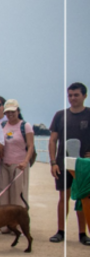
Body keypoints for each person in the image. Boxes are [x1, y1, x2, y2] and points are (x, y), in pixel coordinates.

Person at [49, 82, 90, 245]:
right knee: (63, 197)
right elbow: (53, 140)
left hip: (84, 165)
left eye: (76, 95)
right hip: (63, 163)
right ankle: (60, 231)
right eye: (70, 95)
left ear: (84, 96)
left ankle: (83, 233)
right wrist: (53, 162)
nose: (72, 98)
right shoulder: (60, 115)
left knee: (83, 198)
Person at [0, 99, 33, 217]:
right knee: (3, 195)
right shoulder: (2, 125)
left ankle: (18, 224)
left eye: (13, 111)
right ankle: (3, 223)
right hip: (4, 165)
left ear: (18, 111)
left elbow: (30, 146)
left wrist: (25, 161)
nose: (10, 114)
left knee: (18, 195)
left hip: (19, 165)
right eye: (7, 112)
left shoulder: (25, 126)